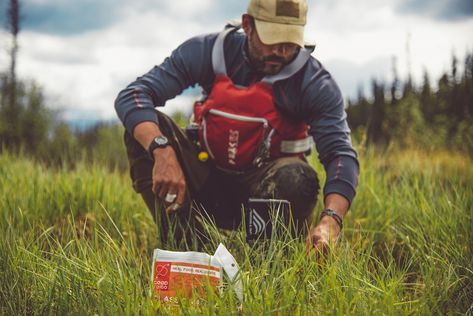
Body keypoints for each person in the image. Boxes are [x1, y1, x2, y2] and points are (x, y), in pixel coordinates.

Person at [115, 0, 359, 254]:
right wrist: (161, 149)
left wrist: (331, 221)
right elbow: (134, 95)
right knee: (144, 133)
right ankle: (187, 246)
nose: (282, 50)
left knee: (298, 177)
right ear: (248, 25)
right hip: (206, 181)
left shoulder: (314, 82)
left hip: (267, 191)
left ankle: (265, 260)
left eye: (290, 41)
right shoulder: (208, 51)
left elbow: (340, 154)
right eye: (272, 38)